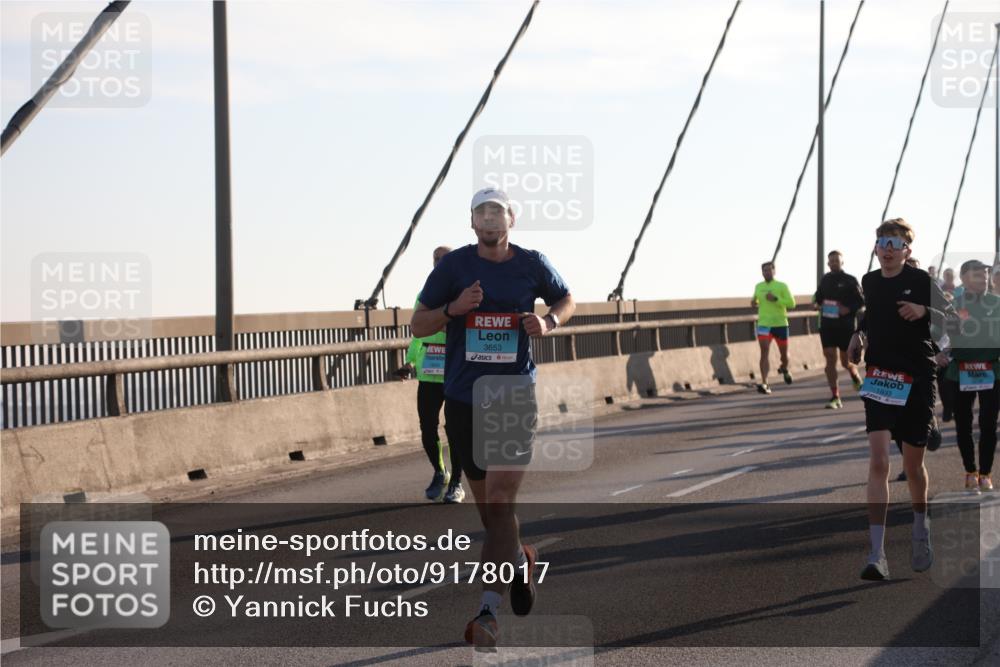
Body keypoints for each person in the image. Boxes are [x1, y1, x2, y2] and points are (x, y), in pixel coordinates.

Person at [410, 187, 575, 650]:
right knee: (492, 516)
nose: (490, 219)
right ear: (472, 223)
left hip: (513, 394)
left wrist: (548, 323)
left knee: (501, 503)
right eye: (481, 212)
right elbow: (418, 324)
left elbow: (566, 299)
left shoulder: (532, 263)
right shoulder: (454, 267)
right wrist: (452, 309)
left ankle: (487, 612)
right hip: (463, 398)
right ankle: (520, 562)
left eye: (497, 212)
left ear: (511, 221)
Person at [848, 218, 955, 581]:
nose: (889, 248)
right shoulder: (869, 282)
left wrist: (926, 311)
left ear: (907, 250)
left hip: (917, 379)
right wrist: (858, 336)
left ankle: (920, 526)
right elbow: (870, 314)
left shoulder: (922, 282)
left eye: (896, 242)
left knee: (912, 468)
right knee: (878, 462)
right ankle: (876, 554)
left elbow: (954, 319)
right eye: (883, 241)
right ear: (876, 248)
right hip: (880, 378)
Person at [397, 245, 466, 503]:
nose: (440, 263)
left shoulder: (463, 294)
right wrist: (409, 363)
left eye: (445, 259)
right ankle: (441, 472)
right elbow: (417, 331)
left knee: (455, 429)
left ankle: (457, 483)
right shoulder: (425, 294)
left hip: (456, 372)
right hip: (429, 372)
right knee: (427, 428)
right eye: (436, 259)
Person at [942, 259, 999, 493]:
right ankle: (970, 471)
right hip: (961, 372)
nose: (984, 278)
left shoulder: (996, 303)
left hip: (992, 371)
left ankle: (985, 473)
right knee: (963, 425)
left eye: (986, 274)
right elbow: (946, 339)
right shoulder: (954, 305)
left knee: (988, 425)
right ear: (964, 278)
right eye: (977, 274)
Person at [813, 250, 864, 409]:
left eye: (837, 260)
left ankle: (855, 376)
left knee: (845, 362)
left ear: (842, 262)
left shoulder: (850, 280)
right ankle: (835, 396)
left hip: (845, 326)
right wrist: (815, 303)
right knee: (829, 359)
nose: (834, 262)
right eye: (831, 260)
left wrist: (848, 309)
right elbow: (819, 298)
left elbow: (861, 302)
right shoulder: (825, 280)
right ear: (828, 263)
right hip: (827, 325)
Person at [752, 261, 796, 394]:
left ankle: (785, 368)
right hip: (764, 324)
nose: (767, 272)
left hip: (780, 324)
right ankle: (765, 383)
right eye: (764, 271)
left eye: (769, 270)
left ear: (774, 271)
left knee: (784, 355)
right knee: (764, 351)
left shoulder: (781, 286)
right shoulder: (758, 286)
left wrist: (776, 299)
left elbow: (792, 304)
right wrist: (754, 302)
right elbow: (756, 300)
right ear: (762, 272)